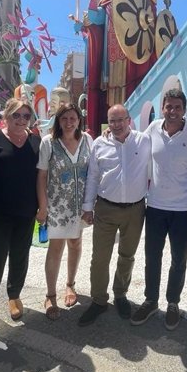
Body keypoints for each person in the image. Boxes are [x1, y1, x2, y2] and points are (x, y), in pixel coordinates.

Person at [131, 89, 187, 330]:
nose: (172, 111)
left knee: (178, 259)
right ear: (162, 108)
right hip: (156, 207)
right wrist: (111, 133)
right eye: (168, 107)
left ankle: (173, 303)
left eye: (177, 107)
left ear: (184, 110)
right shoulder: (152, 130)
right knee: (152, 257)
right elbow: (134, 143)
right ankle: (151, 301)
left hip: (184, 209)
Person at [77, 104, 151, 326]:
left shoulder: (144, 141)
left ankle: (120, 294)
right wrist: (87, 207)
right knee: (100, 258)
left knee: (127, 255)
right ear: (108, 123)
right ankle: (99, 300)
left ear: (129, 120)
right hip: (105, 208)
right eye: (112, 121)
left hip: (135, 209)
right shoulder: (100, 143)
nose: (117, 125)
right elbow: (92, 177)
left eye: (121, 120)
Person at [0, 98, 41, 332]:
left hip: (26, 209)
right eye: (16, 115)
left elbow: (41, 177)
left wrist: (42, 207)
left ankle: (14, 295)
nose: (21, 120)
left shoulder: (36, 142)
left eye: (26, 116)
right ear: (6, 116)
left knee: (20, 254)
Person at [37, 103, 93, 320]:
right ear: (58, 121)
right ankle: (50, 295)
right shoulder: (49, 143)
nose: (69, 123)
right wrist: (43, 206)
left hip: (81, 206)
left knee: (76, 243)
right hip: (57, 206)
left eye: (73, 119)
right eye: (64, 119)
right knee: (56, 248)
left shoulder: (87, 140)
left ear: (79, 120)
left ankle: (70, 285)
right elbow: (41, 176)